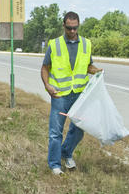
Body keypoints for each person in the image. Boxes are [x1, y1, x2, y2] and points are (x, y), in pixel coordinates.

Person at [40, 11, 102, 176]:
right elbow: (45, 67)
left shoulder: (86, 44)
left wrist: (96, 70)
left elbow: (88, 66)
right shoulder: (55, 45)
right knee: (55, 131)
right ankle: (54, 165)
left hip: (79, 95)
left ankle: (66, 153)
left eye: (75, 28)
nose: (72, 31)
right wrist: (47, 85)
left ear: (78, 26)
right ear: (64, 26)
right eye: (69, 28)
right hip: (60, 95)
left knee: (79, 129)